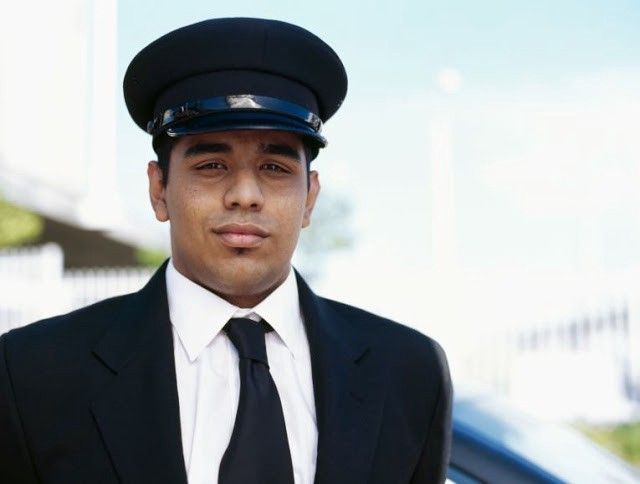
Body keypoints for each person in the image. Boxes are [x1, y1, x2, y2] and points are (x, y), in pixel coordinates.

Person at [0, 18, 452, 484]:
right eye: (212, 165)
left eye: (274, 167)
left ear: (309, 197)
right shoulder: (33, 376)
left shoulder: (407, 373)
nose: (244, 193)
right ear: (159, 190)